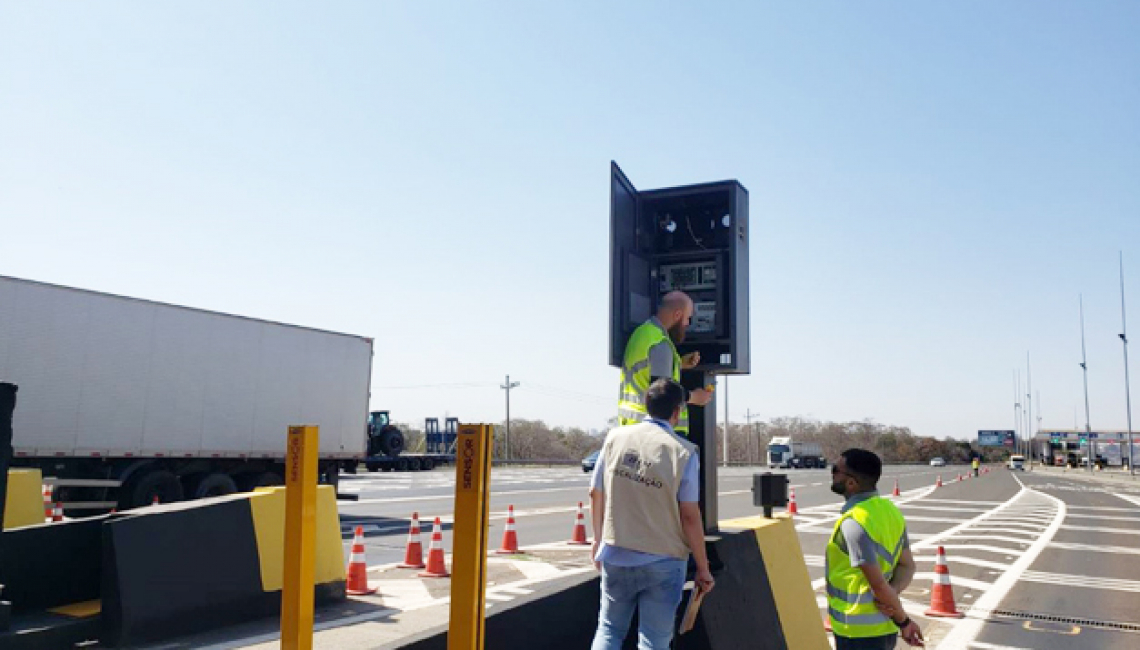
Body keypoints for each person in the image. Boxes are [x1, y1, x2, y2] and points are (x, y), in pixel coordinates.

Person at [590, 378, 714, 650]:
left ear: (646, 406)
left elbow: (595, 493)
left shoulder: (614, 438)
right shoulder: (683, 452)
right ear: (677, 411)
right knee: (654, 641)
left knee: (609, 629)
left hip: (616, 552)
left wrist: (598, 541)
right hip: (664, 559)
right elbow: (690, 516)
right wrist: (703, 568)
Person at [827, 449, 924, 649]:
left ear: (851, 483)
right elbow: (907, 566)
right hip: (883, 628)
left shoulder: (854, 522)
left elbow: (878, 585)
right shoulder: (891, 511)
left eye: (836, 469)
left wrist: (904, 622)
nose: (832, 472)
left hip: (857, 632)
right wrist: (893, 592)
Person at [617, 291, 713, 437]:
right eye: (687, 318)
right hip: (655, 431)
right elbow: (663, 395)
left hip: (632, 428)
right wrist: (695, 397)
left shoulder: (643, 333)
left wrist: (678, 364)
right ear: (677, 315)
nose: (687, 324)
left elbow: (645, 372)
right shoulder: (660, 344)